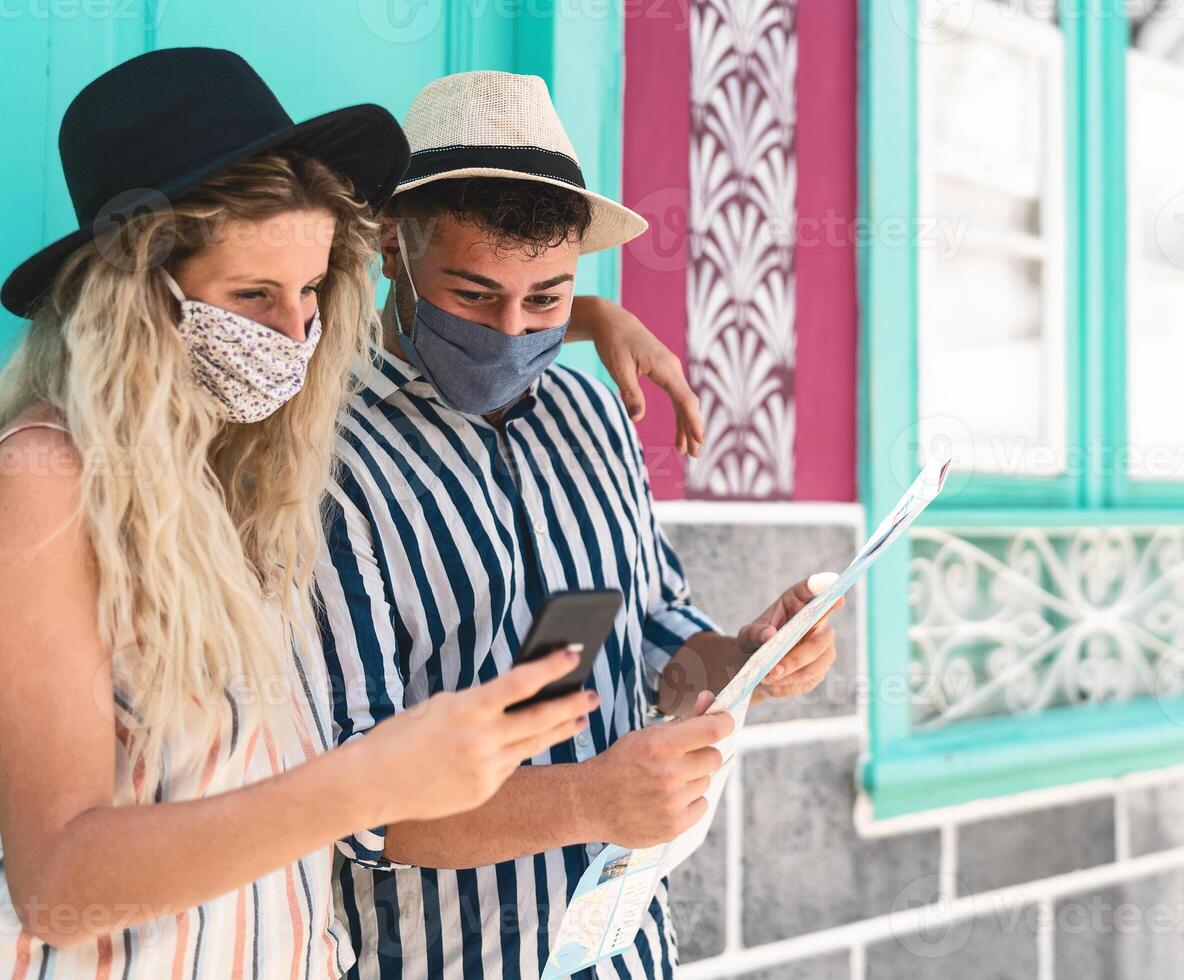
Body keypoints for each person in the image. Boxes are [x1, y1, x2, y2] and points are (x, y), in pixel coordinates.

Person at [0, 48, 705, 979]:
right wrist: (366, 784)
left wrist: (581, 316)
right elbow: (56, 882)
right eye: (253, 296)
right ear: (134, 292)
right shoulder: (45, 476)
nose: (293, 338)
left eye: (309, 294)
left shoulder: (236, 464)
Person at [316, 70, 843, 980]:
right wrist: (592, 802)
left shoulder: (595, 413)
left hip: (630, 953)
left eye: (550, 300)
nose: (513, 332)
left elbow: (654, 641)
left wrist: (744, 659)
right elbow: (353, 803)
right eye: (474, 297)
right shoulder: (321, 458)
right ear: (394, 250)